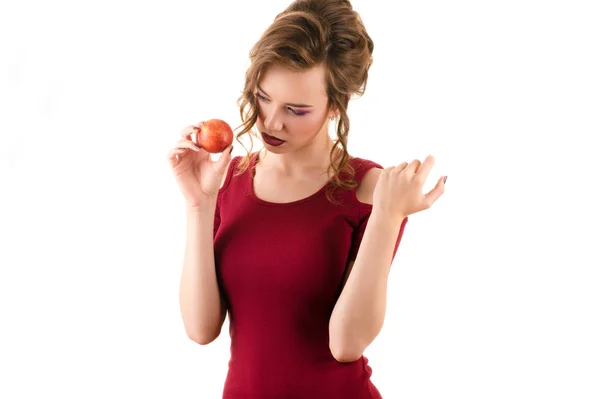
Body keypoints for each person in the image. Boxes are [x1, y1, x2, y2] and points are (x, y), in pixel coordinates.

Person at [167, 0, 446, 397]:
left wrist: (388, 215)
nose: (271, 122)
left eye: (296, 110)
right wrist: (198, 204)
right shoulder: (227, 179)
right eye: (263, 98)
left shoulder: (371, 190)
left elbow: (347, 344)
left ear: (336, 104)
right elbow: (200, 329)